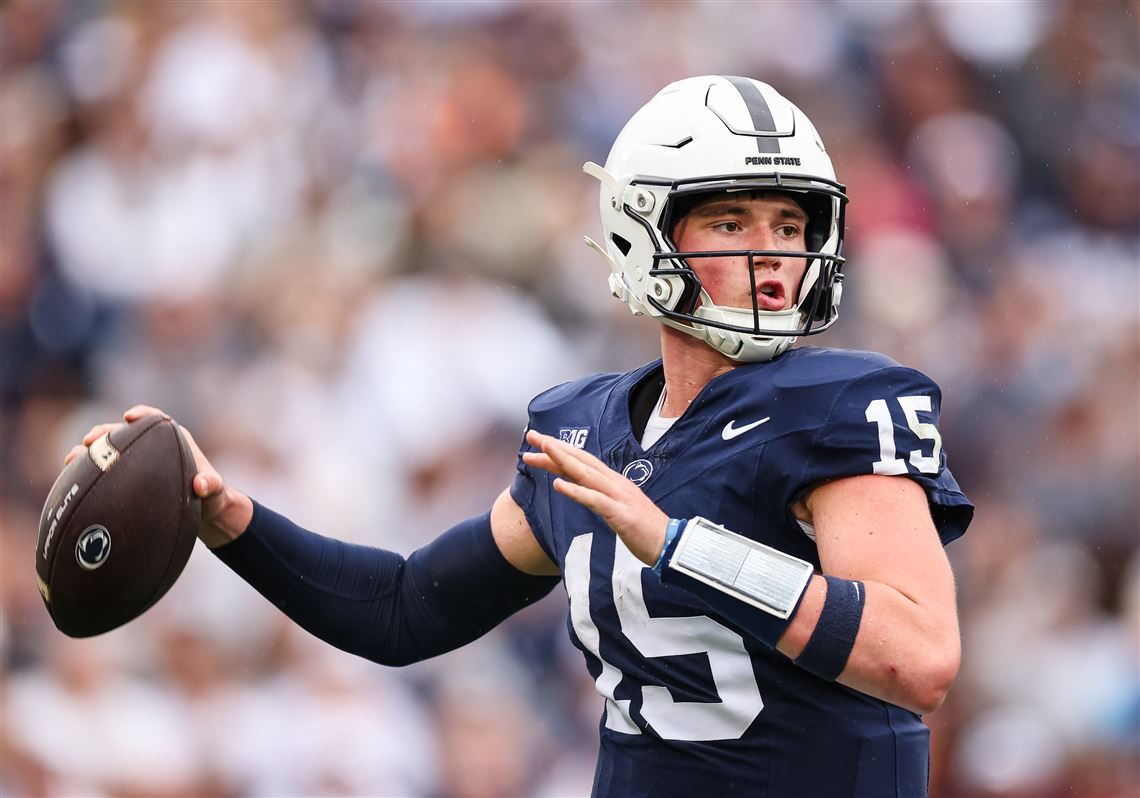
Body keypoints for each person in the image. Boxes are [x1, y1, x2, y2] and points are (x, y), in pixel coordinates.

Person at [70, 76, 973, 798]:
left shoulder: (839, 404)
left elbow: (919, 657)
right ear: (643, 231)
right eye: (731, 221)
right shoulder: (586, 430)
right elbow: (403, 608)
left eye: (790, 224)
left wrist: (678, 546)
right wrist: (231, 519)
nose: (771, 252)